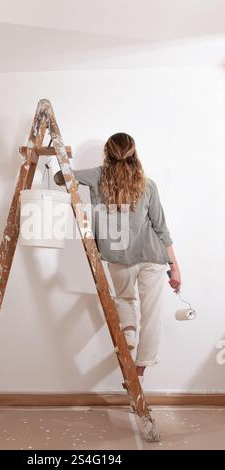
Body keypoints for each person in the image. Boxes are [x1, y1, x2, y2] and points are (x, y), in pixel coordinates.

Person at [54, 132, 181, 381]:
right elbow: (161, 228)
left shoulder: (97, 176)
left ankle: (129, 334)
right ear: (134, 154)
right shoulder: (148, 184)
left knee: (124, 299)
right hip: (151, 256)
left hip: (118, 255)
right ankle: (139, 373)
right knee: (151, 315)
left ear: (107, 153)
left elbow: (61, 178)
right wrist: (175, 267)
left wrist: (62, 163)